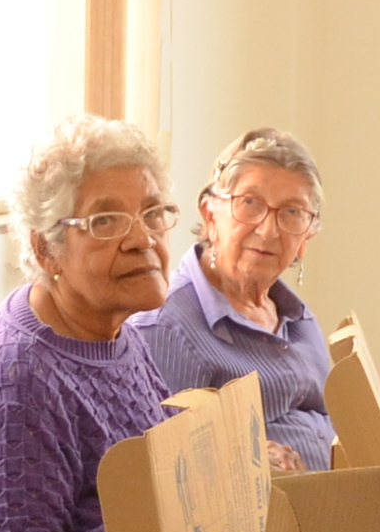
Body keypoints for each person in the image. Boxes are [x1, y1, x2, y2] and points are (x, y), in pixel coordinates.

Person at [0, 116, 180, 532]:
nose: (143, 239)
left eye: (153, 212)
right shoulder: (18, 377)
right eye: (105, 221)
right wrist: (171, 518)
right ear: (46, 251)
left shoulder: (117, 331)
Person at [134, 126, 335, 473]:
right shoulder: (167, 327)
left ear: (306, 237)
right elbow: (162, 473)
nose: (268, 230)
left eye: (291, 212)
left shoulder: (295, 316)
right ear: (211, 215)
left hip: (337, 505)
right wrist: (254, 468)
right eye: (250, 204)